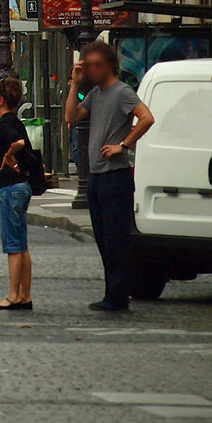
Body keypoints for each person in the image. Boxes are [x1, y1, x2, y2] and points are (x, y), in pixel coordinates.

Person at [63, 42, 152, 312]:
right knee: (102, 238)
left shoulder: (122, 92)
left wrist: (123, 145)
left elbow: (146, 118)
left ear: (109, 64)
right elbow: (71, 117)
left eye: (95, 65)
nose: (91, 69)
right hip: (97, 177)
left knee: (116, 239)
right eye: (87, 65)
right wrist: (74, 83)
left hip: (116, 176)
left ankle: (118, 295)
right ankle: (112, 292)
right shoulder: (95, 94)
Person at [0, 75, 33, 311]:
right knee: (21, 245)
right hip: (20, 187)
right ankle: (25, 295)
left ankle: (13, 295)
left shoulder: (5, 124)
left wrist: (8, 156)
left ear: (1, 100)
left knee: (13, 246)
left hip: (9, 188)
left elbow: (19, 143)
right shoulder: (15, 121)